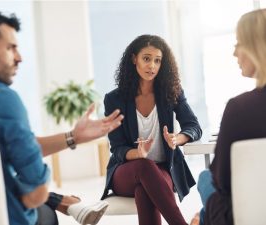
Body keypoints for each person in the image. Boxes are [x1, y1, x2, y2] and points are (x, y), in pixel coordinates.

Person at [0, 10, 124, 225]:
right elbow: (35, 195)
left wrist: (73, 137)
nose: (19, 57)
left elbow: (11, 148)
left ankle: (65, 202)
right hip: (0, 218)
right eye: (11, 48)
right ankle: (65, 203)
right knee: (44, 211)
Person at [101, 34, 202, 225]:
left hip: (162, 168)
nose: (152, 66)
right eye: (146, 59)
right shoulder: (114, 99)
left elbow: (193, 126)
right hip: (126, 171)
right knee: (145, 166)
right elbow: (118, 148)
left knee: (144, 190)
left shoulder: (172, 92)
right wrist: (138, 153)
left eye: (157, 60)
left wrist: (176, 139)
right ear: (134, 59)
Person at [193, 8, 266, 225]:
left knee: (205, 178)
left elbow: (222, 180)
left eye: (239, 43)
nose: (235, 53)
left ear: (255, 47)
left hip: (243, 217)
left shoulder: (239, 108)